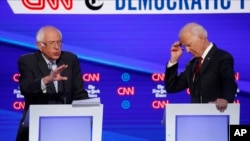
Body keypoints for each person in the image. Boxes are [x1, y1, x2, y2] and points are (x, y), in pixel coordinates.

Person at [16, 25, 89, 141]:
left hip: (67, 126)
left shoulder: (70, 59)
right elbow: (26, 88)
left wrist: (89, 113)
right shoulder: (28, 61)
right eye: (51, 43)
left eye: (59, 43)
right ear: (39, 45)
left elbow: (79, 93)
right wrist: (47, 80)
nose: (57, 48)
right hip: (36, 126)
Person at [164, 22, 237, 112]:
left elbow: (228, 81)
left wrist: (225, 99)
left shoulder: (222, 57)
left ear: (201, 38)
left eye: (189, 45)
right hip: (197, 119)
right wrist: (174, 60)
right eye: (185, 46)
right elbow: (172, 87)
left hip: (217, 116)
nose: (187, 50)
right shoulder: (192, 63)